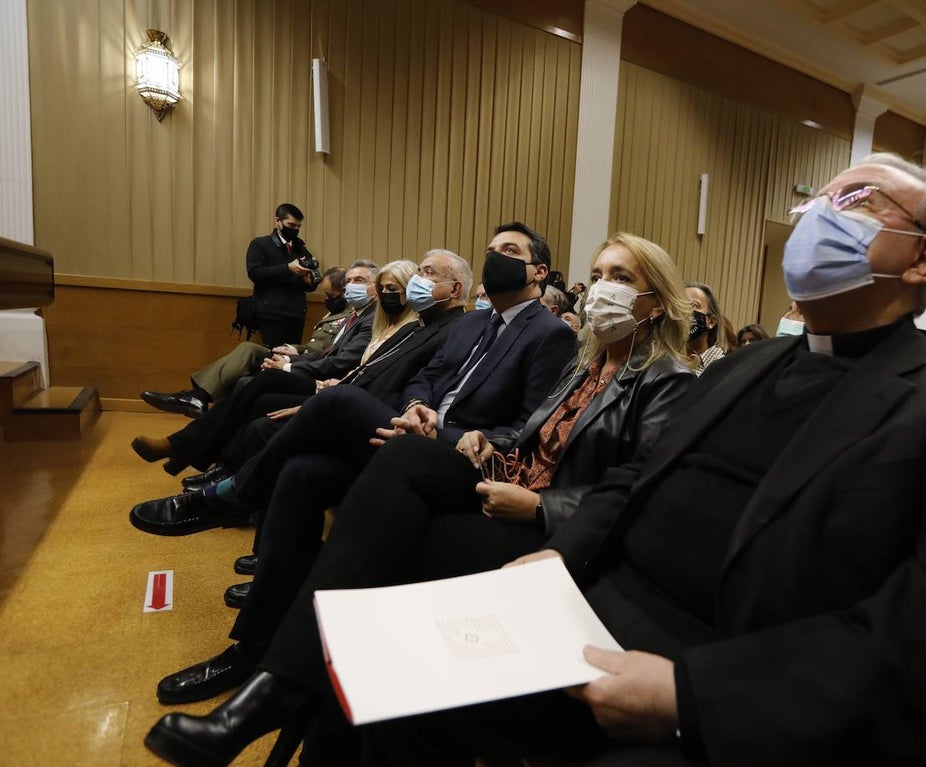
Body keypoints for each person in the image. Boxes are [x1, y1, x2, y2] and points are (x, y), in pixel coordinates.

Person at [148, 156, 926, 766]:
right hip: (584, 591)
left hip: (709, 656)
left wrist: (690, 693)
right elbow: (639, 476)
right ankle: (288, 679)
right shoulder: (756, 362)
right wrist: (563, 549)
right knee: (378, 648)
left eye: (858, 203)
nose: (823, 218)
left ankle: (282, 676)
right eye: (820, 200)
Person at [141, 235, 696, 767]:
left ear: (656, 300)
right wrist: (481, 441)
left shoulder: (666, 379)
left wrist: (540, 508)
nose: (602, 288)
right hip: (498, 475)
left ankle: (284, 692)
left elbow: (641, 489)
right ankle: (282, 689)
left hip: (545, 524)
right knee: (319, 472)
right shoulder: (587, 363)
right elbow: (525, 435)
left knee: (395, 506)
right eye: (598, 275)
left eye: (621, 278)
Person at [128, 222, 575, 539]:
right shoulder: (476, 324)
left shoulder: (547, 332)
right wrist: (414, 408)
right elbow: (426, 377)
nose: (496, 258)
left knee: (334, 401)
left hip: (458, 453)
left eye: (511, 252)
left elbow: (526, 429)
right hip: (411, 426)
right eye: (493, 249)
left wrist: (440, 428)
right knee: (303, 471)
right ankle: (260, 638)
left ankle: (227, 494)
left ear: (539, 272)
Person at [128, 261, 415, 483]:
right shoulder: (371, 320)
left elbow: (344, 364)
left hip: (338, 390)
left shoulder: (384, 323)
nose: (352, 286)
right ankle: (195, 452)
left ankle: (187, 448)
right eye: (349, 281)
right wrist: (295, 357)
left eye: (361, 282)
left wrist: (295, 368)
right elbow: (342, 361)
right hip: (332, 383)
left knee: (262, 384)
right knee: (256, 392)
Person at [139, 267, 350, 419]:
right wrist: (293, 348)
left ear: (344, 292)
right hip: (299, 355)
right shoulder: (336, 311)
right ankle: (198, 396)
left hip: (309, 366)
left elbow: (327, 353)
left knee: (242, 378)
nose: (327, 299)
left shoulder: (351, 316)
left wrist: (289, 358)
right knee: (248, 349)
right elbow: (314, 345)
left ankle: (198, 398)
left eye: (330, 295)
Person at [247, 203, 320, 348]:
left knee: (290, 357)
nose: (295, 230)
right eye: (291, 225)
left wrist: (309, 281)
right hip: (271, 313)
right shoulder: (260, 244)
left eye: (298, 227)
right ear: (278, 221)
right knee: (274, 356)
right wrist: (287, 268)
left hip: (296, 314)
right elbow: (255, 273)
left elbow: (310, 286)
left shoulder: (301, 249)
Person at [684, 281, 726, 373]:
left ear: (711, 321)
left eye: (693, 305)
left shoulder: (724, 367)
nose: (685, 311)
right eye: (681, 305)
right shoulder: (665, 362)